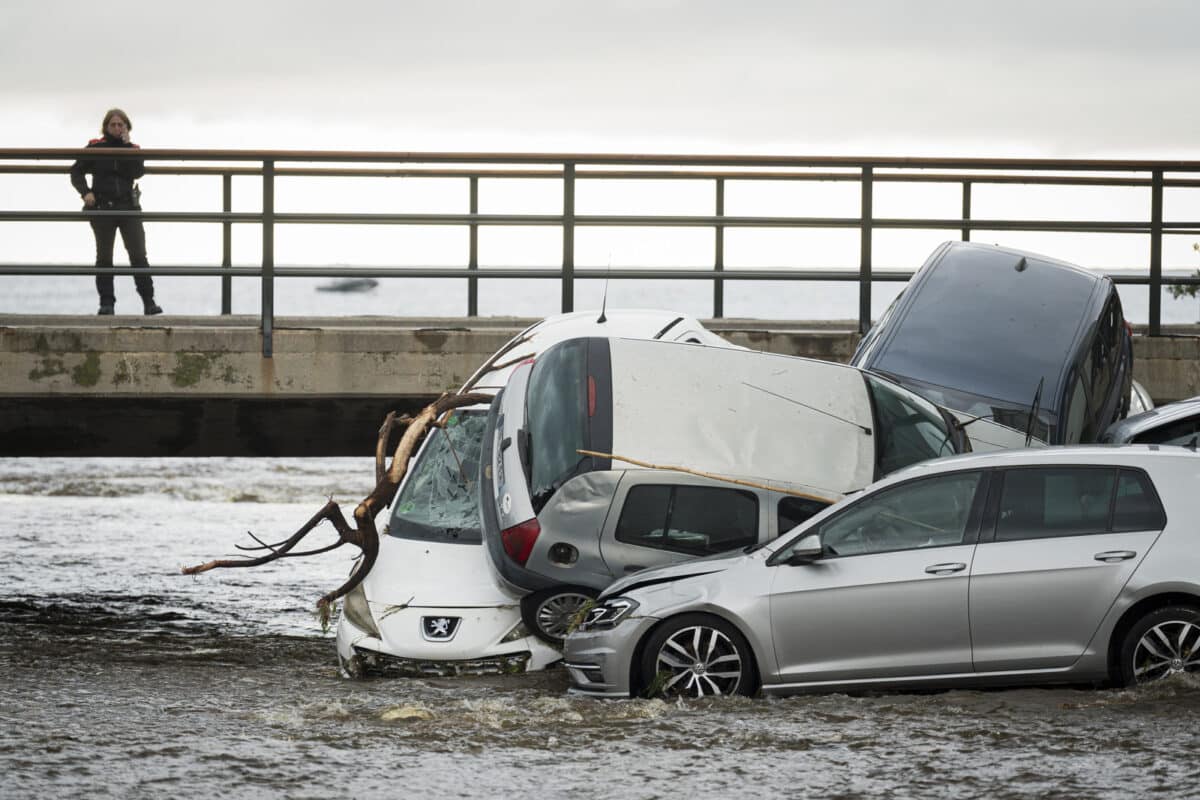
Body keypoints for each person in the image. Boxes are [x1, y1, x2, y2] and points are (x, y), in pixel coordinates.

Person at [69, 108, 162, 315]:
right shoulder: (95, 147)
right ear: (106, 127)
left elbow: (138, 172)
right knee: (104, 258)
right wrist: (85, 193)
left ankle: (149, 302)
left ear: (127, 128)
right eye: (113, 124)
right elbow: (76, 171)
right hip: (102, 207)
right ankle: (106, 303)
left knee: (138, 256)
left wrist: (127, 146)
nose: (117, 128)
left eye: (121, 125)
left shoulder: (133, 148)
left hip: (129, 207)